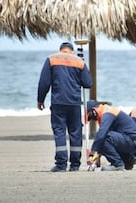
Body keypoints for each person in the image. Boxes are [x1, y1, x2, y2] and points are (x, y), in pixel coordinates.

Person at [37, 42, 93, 172]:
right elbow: (88, 83)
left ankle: (61, 164)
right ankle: (75, 164)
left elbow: (44, 82)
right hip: (74, 102)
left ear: (61, 49)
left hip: (58, 102)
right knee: (75, 132)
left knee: (60, 131)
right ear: (72, 50)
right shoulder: (79, 62)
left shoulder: (52, 59)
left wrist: (40, 99)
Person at [86, 100, 136, 171]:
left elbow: (101, 137)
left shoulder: (107, 114)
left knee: (103, 137)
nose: (92, 119)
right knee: (105, 138)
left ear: (94, 110)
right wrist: (97, 158)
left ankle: (117, 164)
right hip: (130, 141)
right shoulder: (106, 112)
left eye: (90, 115)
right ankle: (128, 160)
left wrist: (91, 155)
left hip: (131, 140)